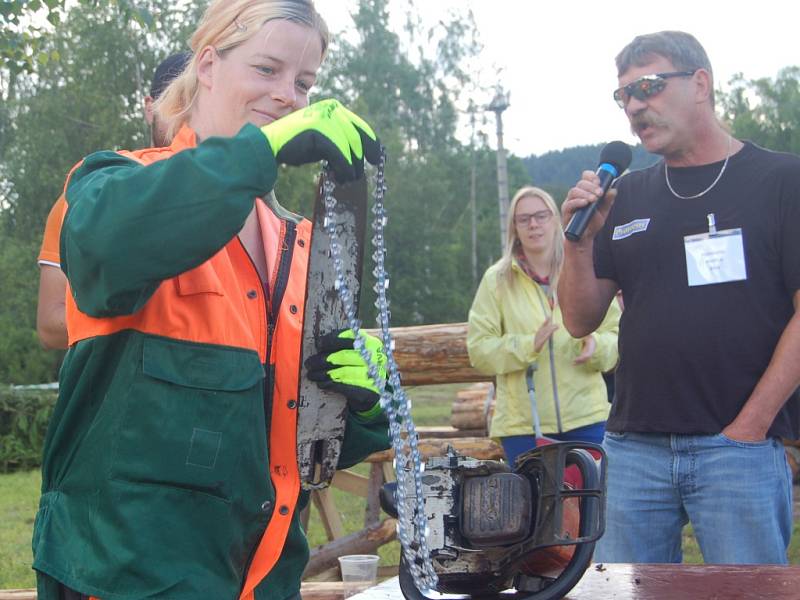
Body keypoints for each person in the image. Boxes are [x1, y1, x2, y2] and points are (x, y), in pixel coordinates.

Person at [32, 2, 390, 599]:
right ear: (207, 65)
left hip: (265, 580)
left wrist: (362, 407)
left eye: (304, 84)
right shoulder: (113, 182)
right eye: (267, 69)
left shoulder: (301, 247)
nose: (288, 95)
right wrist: (257, 154)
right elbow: (106, 248)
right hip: (123, 582)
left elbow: (301, 447)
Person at [558, 30, 800, 564]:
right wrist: (578, 243)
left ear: (701, 84)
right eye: (624, 95)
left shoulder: (781, 181)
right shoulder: (628, 194)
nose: (636, 106)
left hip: (736, 448)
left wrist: (749, 428)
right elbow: (579, 319)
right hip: (633, 446)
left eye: (648, 86)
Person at [36, 51, 192, 350]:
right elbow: (49, 326)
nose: (187, 117)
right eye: (177, 101)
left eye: (199, 104)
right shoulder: (88, 191)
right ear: (150, 107)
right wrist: (145, 310)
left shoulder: (247, 203)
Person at [467, 186, 620, 466]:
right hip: (523, 428)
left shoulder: (586, 268)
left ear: (556, 219)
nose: (534, 224)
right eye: (524, 219)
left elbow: (618, 337)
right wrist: (528, 344)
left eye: (541, 215)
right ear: (514, 226)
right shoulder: (496, 280)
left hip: (588, 418)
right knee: (534, 510)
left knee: (593, 507)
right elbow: (478, 351)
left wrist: (597, 345)